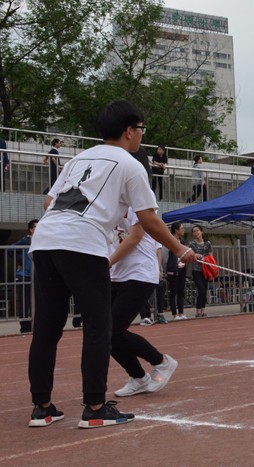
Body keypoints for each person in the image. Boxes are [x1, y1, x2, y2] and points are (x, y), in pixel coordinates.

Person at [27, 100, 195, 428]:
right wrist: (179, 249)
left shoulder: (78, 158)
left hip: (46, 240)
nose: (142, 137)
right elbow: (148, 219)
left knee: (46, 329)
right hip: (83, 245)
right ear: (130, 130)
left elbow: (50, 200)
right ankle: (94, 408)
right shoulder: (130, 164)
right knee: (99, 327)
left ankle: (42, 408)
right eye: (141, 130)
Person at [108, 207, 178, 397]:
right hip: (115, 275)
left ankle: (161, 362)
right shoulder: (105, 204)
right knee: (104, 333)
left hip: (140, 273)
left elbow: (135, 237)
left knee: (113, 328)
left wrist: (107, 262)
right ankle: (138, 377)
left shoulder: (134, 203)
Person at [13, 219, 39, 333]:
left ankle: (35, 324)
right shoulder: (25, 240)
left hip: (36, 276)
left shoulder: (40, 241)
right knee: (24, 302)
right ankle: (25, 327)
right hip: (24, 275)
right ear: (31, 229)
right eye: (37, 227)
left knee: (37, 301)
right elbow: (11, 250)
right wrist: (21, 261)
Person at [189, 225, 212, 318]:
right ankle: (198, 311)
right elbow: (189, 255)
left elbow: (211, 256)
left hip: (205, 269)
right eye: (194, 231)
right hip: (196, 269)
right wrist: (196, 255)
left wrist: (205, 259)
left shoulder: (207, 243)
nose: (196, 233)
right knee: (201, 289)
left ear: (201, 232)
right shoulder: (192, 244)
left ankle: (203, 310)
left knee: (205, 289)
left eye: (197, 231)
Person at [166, 222, 188, 320]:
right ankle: (174, 314)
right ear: (176, 230)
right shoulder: (169, 240)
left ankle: (181, 312)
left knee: (181, 291)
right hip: (172, 269)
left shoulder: (182, 241)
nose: (183, 230)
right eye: (181, 228)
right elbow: (166, 255)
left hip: (182, 268)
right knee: (173, 291)